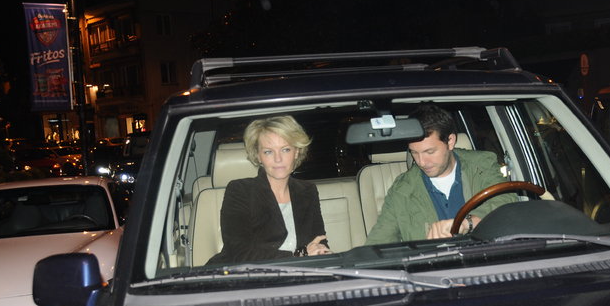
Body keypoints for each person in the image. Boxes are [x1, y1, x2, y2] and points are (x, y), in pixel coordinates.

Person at [365, 104, 514, 245]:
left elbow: (506, 201)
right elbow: (379, 241)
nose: (421, 162)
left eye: (429, 152)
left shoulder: (482, 165)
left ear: (450, 141)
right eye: (414, 152)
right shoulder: (401, 190)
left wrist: (466, 222)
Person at [208, 115, 330, 264]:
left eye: (285, 149)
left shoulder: (308, 191)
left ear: (296, 152)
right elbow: (239, 252)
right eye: (268, 152)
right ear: (258, 156)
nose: (278, 159)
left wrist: (322, 252)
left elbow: (318, 240)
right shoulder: (240, 190)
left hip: (301, 271)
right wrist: (299, 255)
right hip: (252, 274)